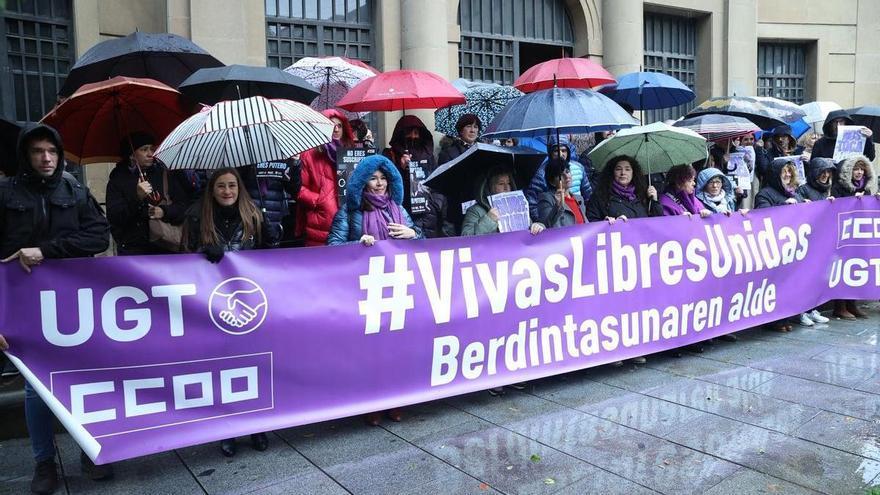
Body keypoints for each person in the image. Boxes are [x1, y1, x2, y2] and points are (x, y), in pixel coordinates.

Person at [0, 124, 111, 493]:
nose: (46, 158)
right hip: (23, 306)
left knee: (82, 379)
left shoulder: (74, 190)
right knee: (36, 388)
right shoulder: (6, 193)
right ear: (25, 156)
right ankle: (44, 462)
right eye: (37, 152)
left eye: (52, 151)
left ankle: (89, 451)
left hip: (71, 302)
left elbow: (98, 236)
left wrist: (45, 251)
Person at [181, 167, 279, 456]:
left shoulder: (254, 213)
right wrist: (202, 251)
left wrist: (272, 233)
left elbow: (270, 255)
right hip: (213, 304)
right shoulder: (197, 216)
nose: (227, 191)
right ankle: (228, 429)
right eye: (221, 186)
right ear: (212, 189)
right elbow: (183, 257)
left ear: (240, 188)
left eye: (232, 185)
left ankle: (258, 426)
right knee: (223, 368)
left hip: (250, 303)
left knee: (255, 365)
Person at [105, 132, 189, 255]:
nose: (150, 154)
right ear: (131, 155)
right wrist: (137, 197)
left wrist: (164, 211)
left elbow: (184, 206)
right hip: (133, 249)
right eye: (144, 150)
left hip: (165, 246)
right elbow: (115, 217)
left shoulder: (164, 174)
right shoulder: (117, 180)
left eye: (152, 149)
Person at [754, 160, 808, 332]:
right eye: (784, 171)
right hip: (774, 246)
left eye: (790, 171)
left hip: (792, 247)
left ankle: (786, 317)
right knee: (774, 284)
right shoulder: (764, 194)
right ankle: (773, 320)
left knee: (789, 283)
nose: (787, 175)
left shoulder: (796, 194)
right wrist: (784, 206)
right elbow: (763, 216)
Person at [382, 115, 449, 238]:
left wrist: (435, 204)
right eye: (409, 132)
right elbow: (384, 183)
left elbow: (436, 181)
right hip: (399, 209)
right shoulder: (389, 154)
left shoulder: (428, 156)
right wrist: (401, 168)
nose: (413, 136)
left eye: (416, 133)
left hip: (425, 210)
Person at [829, 154, 879, 320]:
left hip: (858, 235)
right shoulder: (838, 188)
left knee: (855, 268)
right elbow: (836, 208)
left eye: (861, 169)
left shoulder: (867, 188)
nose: (859, 172)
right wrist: (852, 200)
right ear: (849, 171)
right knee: (842, 268)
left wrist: (873, 200)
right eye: (856, 169)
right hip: (843, 235)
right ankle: (840, 306)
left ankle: (852, 304)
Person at [296, 109, 355, 246]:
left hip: (347, 222)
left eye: (339, 126)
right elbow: (300, 188)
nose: (336, 129)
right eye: (331, 125)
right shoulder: (309, 155)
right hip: (320, 223)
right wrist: (319, 201)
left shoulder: (350, 153)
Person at [461, 165, 545, 236]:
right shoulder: (475, 211)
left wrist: (538, 226)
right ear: (489, 187)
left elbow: (532, 227)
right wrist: (489, 219)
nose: (506, 187)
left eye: (508, 183)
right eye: (501, 184)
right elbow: (466, 238)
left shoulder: (517, 206)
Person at [525, 135, 592, 221]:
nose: (561, 154)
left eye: (563, 150)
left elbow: (588, 196)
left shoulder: (579, 168)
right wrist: (541, 223)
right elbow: (532, 203)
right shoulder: (541, 173)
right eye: (556, 151)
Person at [586, 155, 661, 223]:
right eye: (618, 169)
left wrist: (654, 200)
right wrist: (605, 223)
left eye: (627, 169)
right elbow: (591, 221)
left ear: (633, 172)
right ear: (612, 172)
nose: (623, 173)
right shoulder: (600, 196)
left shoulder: (643, 193)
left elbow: (658, 223)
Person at [536, 158, 587, 228]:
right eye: (561, 175)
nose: (566, 176)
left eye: (567, 171)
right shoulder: (547, 198)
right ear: (552, 182)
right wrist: (557, 206)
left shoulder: (579, 198)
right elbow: (545, 226)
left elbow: (586, 225)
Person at [811, 110, 875, 161]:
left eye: (841, 121)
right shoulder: (820, 143)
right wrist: (823, 162)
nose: (838, 125)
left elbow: (870, 158)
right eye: (835, 122)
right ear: (830, 124)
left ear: (846, 122)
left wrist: (869, 138)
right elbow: (813, 164)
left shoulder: (856, 140)